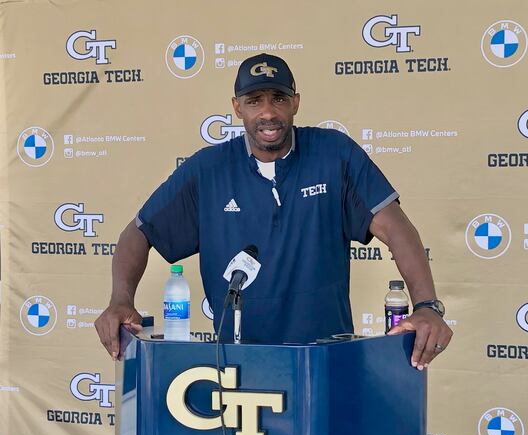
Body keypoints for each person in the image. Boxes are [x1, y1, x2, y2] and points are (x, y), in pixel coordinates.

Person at [95, 53, 452, 370]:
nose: (268, 112)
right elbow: (138, 233)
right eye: (255, 100)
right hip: (236, 365)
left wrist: (426, 306)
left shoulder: (335, 154)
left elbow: (396, 228)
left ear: (295, 103)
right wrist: (120, 300)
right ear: (237, 107)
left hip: (324, 363)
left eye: (278, 98)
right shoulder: (208, 169)